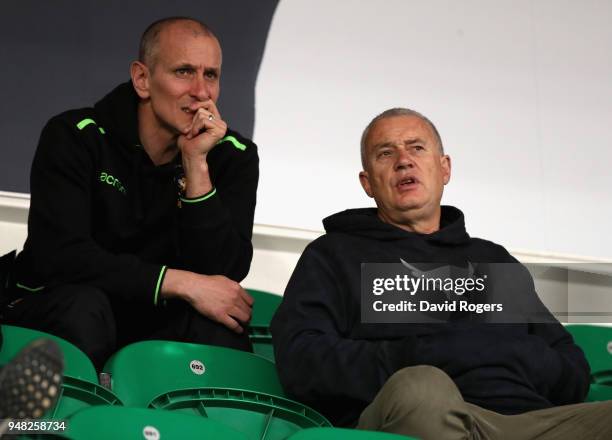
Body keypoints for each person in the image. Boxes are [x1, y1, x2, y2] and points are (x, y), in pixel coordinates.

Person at [271, 108, 612, 439]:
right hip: (421, 415)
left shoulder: (494, 260)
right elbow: (303, 360)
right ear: (367, 183)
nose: (404, 160)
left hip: (527, 422)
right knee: (421, 388)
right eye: (385, 153)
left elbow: (573, 370)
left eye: (417, 147)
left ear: (444, 168)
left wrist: (512, 353)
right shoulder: (332, 254)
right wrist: (422, 356)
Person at [0, 17, 259, 370]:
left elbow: (224, 273)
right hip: (64, 307)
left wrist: (196, 164)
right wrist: (179, 282)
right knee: (85, 308)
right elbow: (59, 256)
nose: (202, 92)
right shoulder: (76, 135)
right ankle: (58, 426)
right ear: (142, 79)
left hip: (153, 319)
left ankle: (181, 427)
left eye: (211, 75)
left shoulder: (233, 155)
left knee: (222, 330)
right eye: (184, 72)